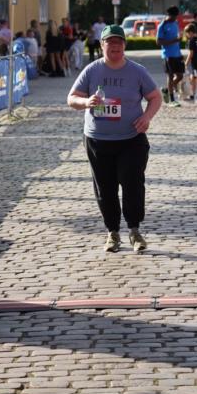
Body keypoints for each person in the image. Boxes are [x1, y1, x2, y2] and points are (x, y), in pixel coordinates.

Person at [67, 24, 162, 254]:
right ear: (102, 46)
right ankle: (112, 233)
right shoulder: (92, 70)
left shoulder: (137, 71)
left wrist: (147, 117)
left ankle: (135, 230)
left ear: (124, 46)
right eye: (110, 42)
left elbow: (155, 97)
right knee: (105, 188)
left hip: (131, 139)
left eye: (119, 42)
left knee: (132, 185)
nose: (115, 46)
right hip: (98, 140)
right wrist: (86, 102)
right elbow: (71, 98)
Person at [156, 5, 184, 107]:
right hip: (167, 55)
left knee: (180, 75)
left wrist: (179, 39)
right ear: (169, 15)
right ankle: (172, 100)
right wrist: (174, 40)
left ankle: (167, 90)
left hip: (177, 54)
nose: (175, 18)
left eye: (176, 16)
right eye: (174, 16)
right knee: (170, 76)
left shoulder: (175, 23)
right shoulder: (162, 26)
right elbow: (158, 42)